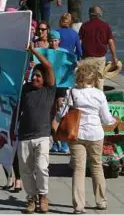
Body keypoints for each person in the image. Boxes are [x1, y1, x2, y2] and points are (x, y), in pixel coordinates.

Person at [55, 63, 117, 214]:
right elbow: (107, 119)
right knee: (97, 166)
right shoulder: (99, 94)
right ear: (94, 78)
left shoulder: (72, 92)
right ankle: (101, 201)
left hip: (76, 134)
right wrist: (114, 121)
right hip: (96, 134)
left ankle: (78, 206)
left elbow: (61, 114)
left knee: (78, 169)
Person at [18, 42, 56, 214]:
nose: (35, 78)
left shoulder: (49, 89)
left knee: (41, 168)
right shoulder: (25, 89)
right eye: (34, 75)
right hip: (24, 136)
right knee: (25, 171)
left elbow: (48, 66)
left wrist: (33, 51)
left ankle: (43, 196)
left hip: (42, 135)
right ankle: (31, 199)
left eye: (39, 76)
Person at [79, 5, 118, 90]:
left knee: (87, 80)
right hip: (100, 59)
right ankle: (100, 98)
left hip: (87, 58)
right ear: (100, 14)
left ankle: (87, 99)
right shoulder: (105, 26)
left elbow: (79, 42)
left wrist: (78, 56)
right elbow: (110, 42)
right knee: (99, 80)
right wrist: (114, 57)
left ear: (90, 14)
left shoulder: (84, 26)